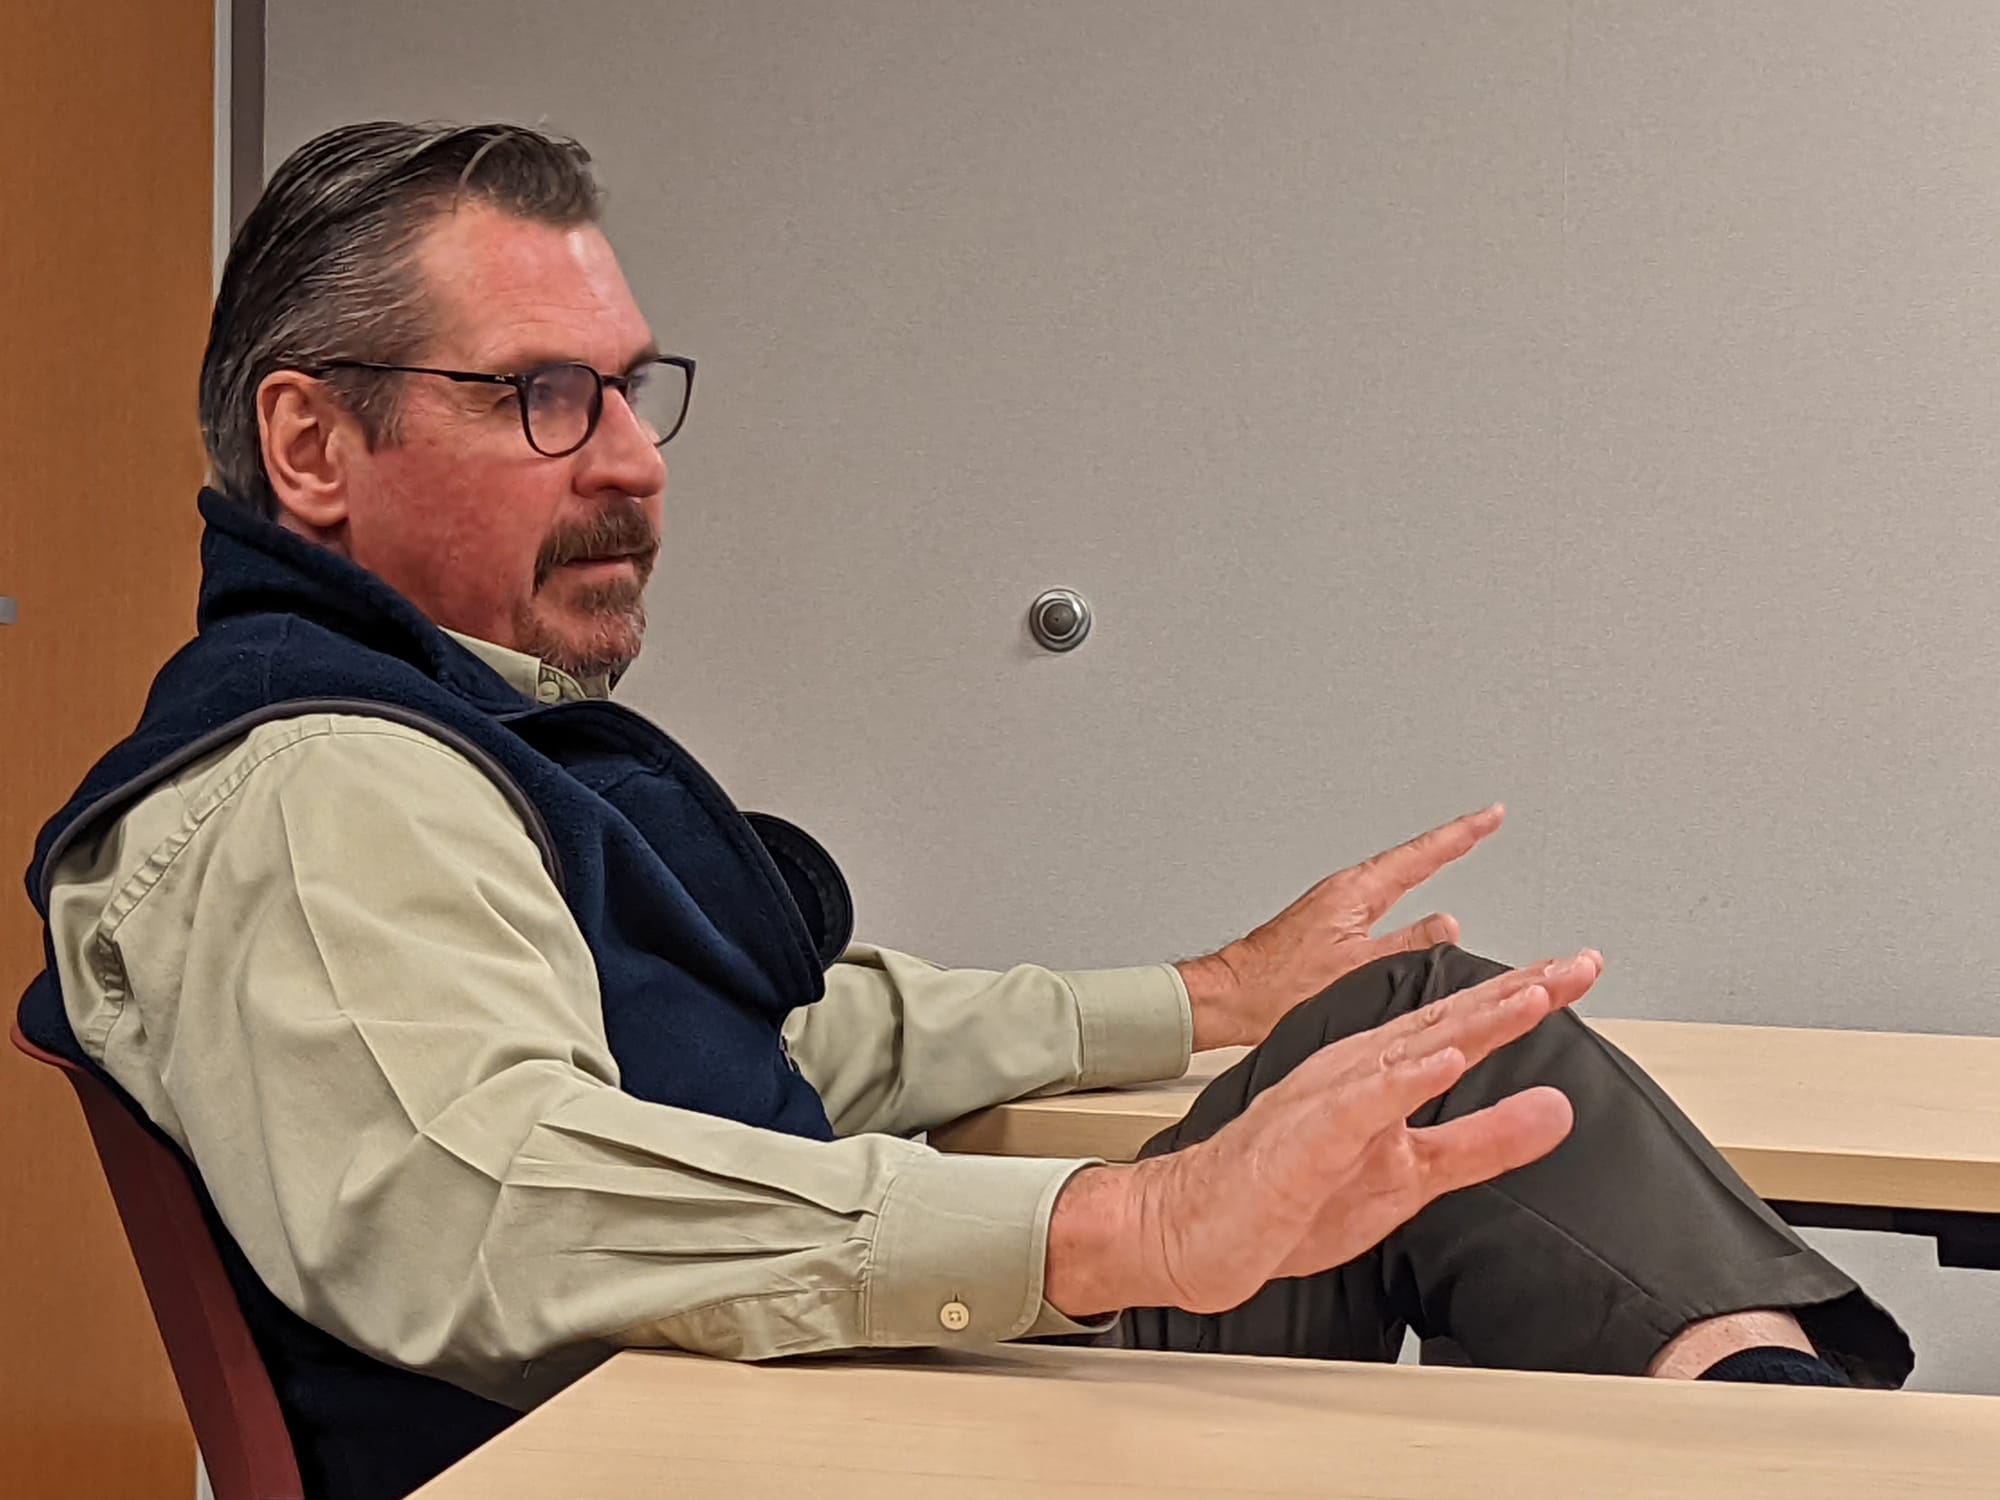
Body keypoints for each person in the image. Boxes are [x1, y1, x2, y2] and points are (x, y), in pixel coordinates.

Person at [20, 121, 1909, 1500]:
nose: (630, 462)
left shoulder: (442, 741)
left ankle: (1764, 1413)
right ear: (309, 444)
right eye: (538, 398)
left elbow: (782, 1035)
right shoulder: (309, 789)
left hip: (795, 1394)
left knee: (1423, 1032)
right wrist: (1111, 1226)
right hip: (716, 1446)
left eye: (629, 390)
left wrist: (1205, 997)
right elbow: (501, 1212)